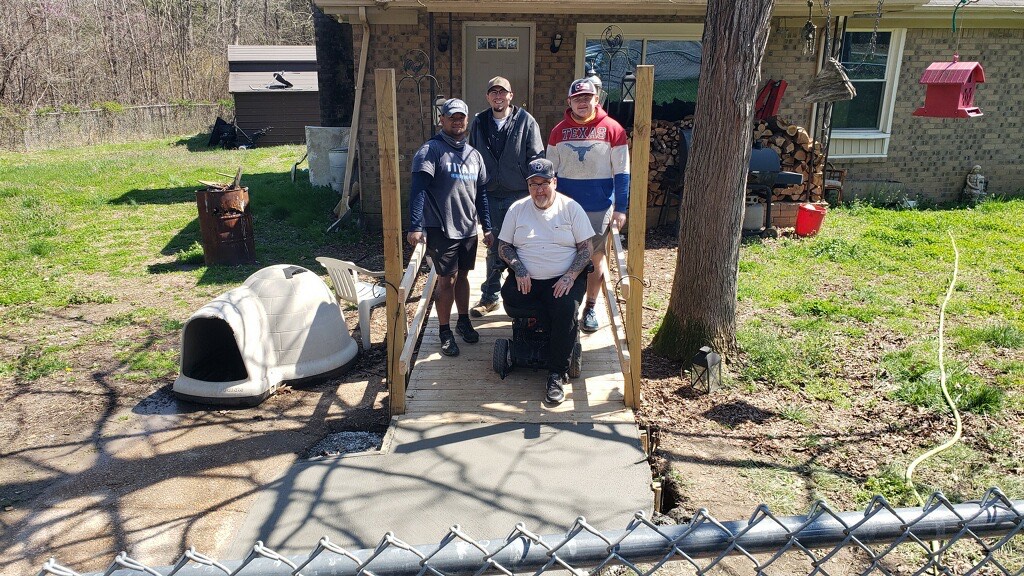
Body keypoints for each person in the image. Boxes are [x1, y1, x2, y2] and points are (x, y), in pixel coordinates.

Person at [498, 158, 595, 404]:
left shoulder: (571, 208)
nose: (539, 190)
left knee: (564, 309)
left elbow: (586, 249)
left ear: (554, 182)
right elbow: (504, 246)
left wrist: (571, 275)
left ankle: (556, 372)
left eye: (544, 184)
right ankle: (550, 331)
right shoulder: (517, 209)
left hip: (563, 279)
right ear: (528, 185)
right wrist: (518, 267)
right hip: (528, 278)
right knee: (510, 297)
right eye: (534, 185)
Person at [407, 98, 492, 358]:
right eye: (451, 116)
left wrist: (487, 226)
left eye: (461, 117)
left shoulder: (474, 155)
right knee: (447, 280)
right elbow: (418, 190)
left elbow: (482, 195)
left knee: (463, 277)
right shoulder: (431, 150)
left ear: (467, 121)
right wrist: (415, 225)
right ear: (441, 120)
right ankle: (444, 331)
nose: (457, 121)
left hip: (468, 228)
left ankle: (463, 320)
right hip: (441, 228)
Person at [546, 77, 630, 333]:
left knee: (594, 258)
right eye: (577, 98)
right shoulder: (558, 131)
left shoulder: (613, 129)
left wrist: (621, 208)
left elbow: (622, 172)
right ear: (569, 101)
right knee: (563, 256)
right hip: (565, 207)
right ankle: (561, 305)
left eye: (587, 97)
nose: (582, 102)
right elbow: (550, 172)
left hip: (598, 207)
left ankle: (590, 306)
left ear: (597, 99)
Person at [468, 76, 545, 318]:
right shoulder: (479, 122)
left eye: (503, 92)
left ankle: (528, 293)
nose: (498, 96)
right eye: (494, 92)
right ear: (488, 96)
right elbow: (471, 157)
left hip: (519, 194)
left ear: (511, 95)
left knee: (523, 244)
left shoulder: (525, 121)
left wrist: (537, 189)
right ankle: (490, 297)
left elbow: (536, 157)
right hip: (489, 194)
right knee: (495, 247)